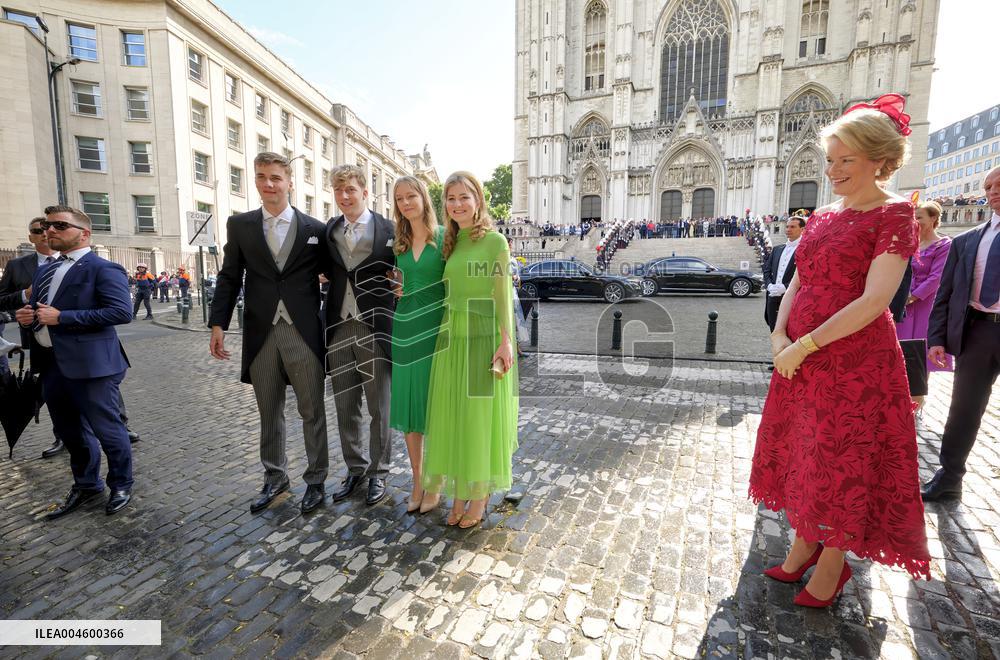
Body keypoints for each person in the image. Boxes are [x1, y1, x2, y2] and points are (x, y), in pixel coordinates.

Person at [749, 94, 931, 609]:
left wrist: (803, 344)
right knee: (808, 452)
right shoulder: (824, 216)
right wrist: (779, 337)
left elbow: (876, 300)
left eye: (845, 160)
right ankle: (805, 542)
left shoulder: (896, 214)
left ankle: (832, 564)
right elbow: (796, 282)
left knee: (844, 459)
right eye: (830, 160)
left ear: (879, 159)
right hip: (801, 359)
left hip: (854, 361)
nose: (832, 170)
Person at [208, 152, 331, 514]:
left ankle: (316, 480)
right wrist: (218, 323)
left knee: (312, 411)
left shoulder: (315, 229)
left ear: (290, 182)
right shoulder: (240, 225)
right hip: (261, 332)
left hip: (303, 333)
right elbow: (230, 276)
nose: (268, 183)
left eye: (276, 177)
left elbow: (337, 275)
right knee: (269, 411)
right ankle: (275, 478)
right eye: (261, 176)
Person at [14, 205, 134, 518]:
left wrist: (62, 317)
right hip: (52, 364)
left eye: (59, 226)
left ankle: (121, 483)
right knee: (70, 432)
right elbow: (43, 313)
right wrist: (27, 318)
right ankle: (86, 484)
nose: (50, 231)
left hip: (93, 365)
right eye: (46, 226)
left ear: (84, 233)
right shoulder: (45, 269)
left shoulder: (103, 268)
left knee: (108, 430)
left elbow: (121, 312)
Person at [421, 171, 519, 529]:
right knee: (456, 419)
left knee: (478, 421)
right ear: (444, 205)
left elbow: (502, 294)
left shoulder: (495, 242)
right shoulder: (450, 242)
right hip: (451, 340)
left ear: (479, 200)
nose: (458, 204)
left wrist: (506, 341)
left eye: (465, 197)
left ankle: (478, 496)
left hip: (482, 340)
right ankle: (460, 493)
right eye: (451, 198)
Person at [921, 165, 1000, 502]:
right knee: (964, 408)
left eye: (999, 184)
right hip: (979, 332)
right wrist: (937, 338)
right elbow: (947, 293)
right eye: (988, 186)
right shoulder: (969, 240)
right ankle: (950, 476)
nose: (992, 190)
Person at [323, 164, 397, 506]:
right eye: (339, 191)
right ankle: (355, 469)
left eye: (350, 190)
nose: (344, 196)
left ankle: (378, 474)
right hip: (338, 328)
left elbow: (406, 271)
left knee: (379, 406)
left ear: (365, 193)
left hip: (375, 328)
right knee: (345, 405)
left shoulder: (390, 231)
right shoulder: (329, 231)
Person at [387, 175, 446, 514]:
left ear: (424, 198)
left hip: (437, 329)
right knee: (410, 408)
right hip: (405, 328)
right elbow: (398, 281)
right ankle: (417, 478)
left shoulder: (444, 237)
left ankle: (435, 480)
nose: (406, 203)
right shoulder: (400, 242)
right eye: (399, 198)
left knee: (434, 405)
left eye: (411, 196)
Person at [895, 200, 953, 410]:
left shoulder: (944, 244)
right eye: (913, 217)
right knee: (897, 349)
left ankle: (916, 400)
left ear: (933, 219)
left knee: (918, 353)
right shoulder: (909, 243)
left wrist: (912, 296)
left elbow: (937, 277)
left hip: (924, 306)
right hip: (900, 304)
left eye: (919, 217)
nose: (914, 221)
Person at [762, 213, 805, 332]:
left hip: (793, 300)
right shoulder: (777, 249)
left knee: (789, 334)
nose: (788, 229)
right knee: (774, 332)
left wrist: (785, 287)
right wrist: (769, 285)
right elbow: (767, 270)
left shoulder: (806, 250)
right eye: (787, 226)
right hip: (772, 298)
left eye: (793, 227)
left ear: (802, 229)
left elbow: (806, 275)